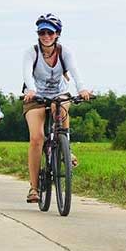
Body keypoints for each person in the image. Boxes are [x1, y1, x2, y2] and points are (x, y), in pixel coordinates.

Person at [22, 13, 91, 203]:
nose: (46, 36)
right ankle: (34, 188)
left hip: (58, 94)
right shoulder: (32, 52)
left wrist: (82, 88)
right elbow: (27, 73)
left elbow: (75, 71)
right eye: (42, 32)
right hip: (35, 95)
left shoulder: (65, 52)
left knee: (60, 107)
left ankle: (64, 146)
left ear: (57, 34)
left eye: (50, 33)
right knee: (36, 138)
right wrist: (31, 90)